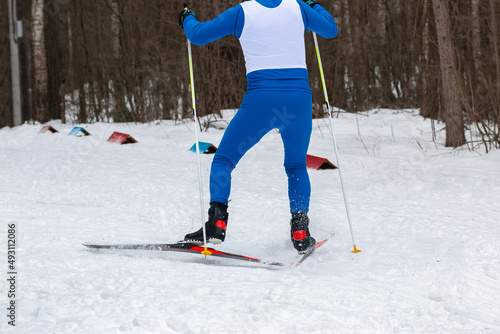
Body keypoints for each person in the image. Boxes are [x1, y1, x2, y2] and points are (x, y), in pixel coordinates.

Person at [179, 0, 337, 253]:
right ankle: (300, 229)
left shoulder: (242, 11)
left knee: (223, 161)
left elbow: (197, 36)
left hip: (262, 101)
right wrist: (315, 5)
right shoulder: (298, 7)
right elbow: (330, 30)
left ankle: (217, 224)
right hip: (298, 101)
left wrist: (187, 17)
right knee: (296, 166)